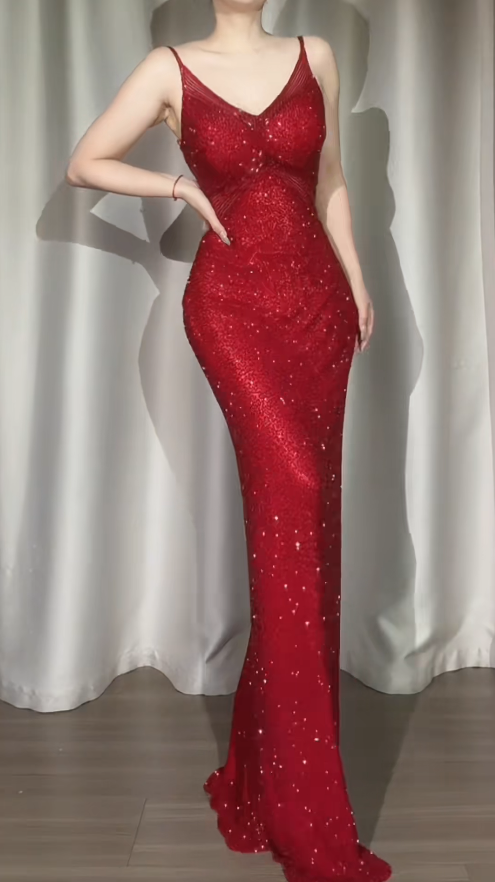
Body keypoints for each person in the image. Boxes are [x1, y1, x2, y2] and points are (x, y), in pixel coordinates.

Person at [66, 1, 392, 879]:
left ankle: (268, 769)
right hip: (232, 312)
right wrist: (177, 189)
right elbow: (84, 162)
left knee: (308, 537)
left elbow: (328, 177)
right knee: (289, 518)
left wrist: (358, 280)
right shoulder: (169, 69)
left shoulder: (314, 55)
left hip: (318, 308)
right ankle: (305, 810)